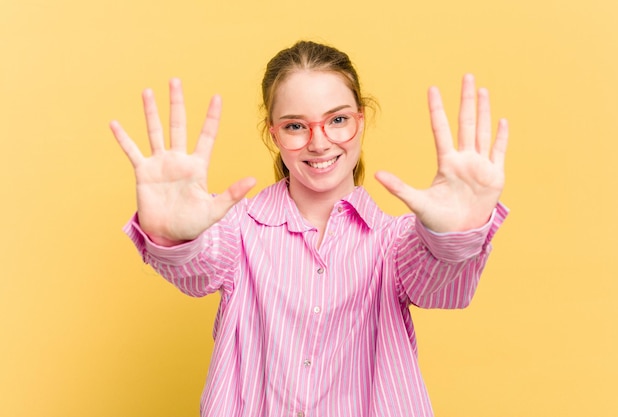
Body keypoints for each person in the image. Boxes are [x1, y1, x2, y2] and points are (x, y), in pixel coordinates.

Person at [110, 40, 509, 417]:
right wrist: (174, 236)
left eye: (337, 120)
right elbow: (195, 270)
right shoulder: (237, 232)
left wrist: (457, 235)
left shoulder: (395, 244)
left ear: (360, 120)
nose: (319, 143)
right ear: (274, 133)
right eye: (296, 126)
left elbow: (441, 285)